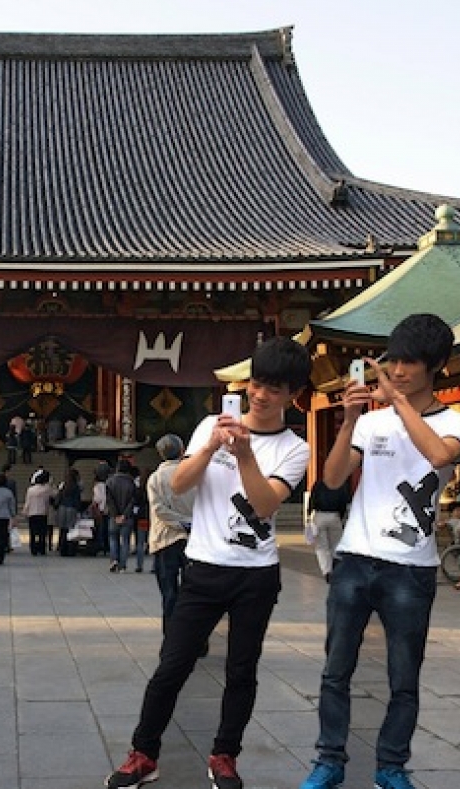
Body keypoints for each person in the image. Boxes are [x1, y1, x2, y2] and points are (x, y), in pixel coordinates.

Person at [105, 337, 311, 789]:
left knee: (241, 671)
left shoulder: (295, 448)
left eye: (274, 389)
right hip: (203, 566)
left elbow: (264, 505)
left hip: (256, 574)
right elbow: (179, 484)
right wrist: (211, 446)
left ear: (293, 395)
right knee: (172, 665)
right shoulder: (209, 426)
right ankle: (143, 754)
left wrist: (244, 454)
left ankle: (224, 756)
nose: (260, 395)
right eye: (257, 384)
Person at [300, 314, 460, 789]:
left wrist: (397, 402)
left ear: (435, 365)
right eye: (393, 361)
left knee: (404, 676)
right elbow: (333, 479)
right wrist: (349, 421)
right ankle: (329, 761)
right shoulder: (371, 421)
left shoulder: (458, 422)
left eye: (409, 363)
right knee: (336, 670)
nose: (397, 371)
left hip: (411, 568)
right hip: (355, 558)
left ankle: (391, 767)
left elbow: (439, 456)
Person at [145, 434, 197, 632]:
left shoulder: (155, 478)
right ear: (182, 451)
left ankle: (172, 636)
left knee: (169, 592)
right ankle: (194, 636)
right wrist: (189, 523)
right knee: (193, 592)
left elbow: (158, 509)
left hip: (165, 539)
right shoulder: (194, 475)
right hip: (193, 538)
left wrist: (179, 522)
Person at [306, 479, 351, 581]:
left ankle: (327, 571)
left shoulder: (318, 484)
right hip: (334, 515)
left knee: (321, 547)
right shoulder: (341, 484)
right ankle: (336, 567)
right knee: (336, 545)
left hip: (319, 516)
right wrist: (341, 516)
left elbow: (312, 498)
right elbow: (343, 502)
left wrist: (309, 513)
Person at [106, 459, 142, 573]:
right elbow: (133, 500)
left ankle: (114, 560)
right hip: (128, 516)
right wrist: (124, 515)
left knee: (113, 538)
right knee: (125, 541)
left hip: (113, 516)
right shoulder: (131, 482)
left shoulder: (110, 481)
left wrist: (115, 514)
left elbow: (109, 500)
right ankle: (122, 566)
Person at [22, 470, 54, 556]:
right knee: (42, 532)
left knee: (32, 532)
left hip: (32, 513)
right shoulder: (47, 489)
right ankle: (42, 548)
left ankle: (33, 549)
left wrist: (25, 511)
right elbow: (54, 494)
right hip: (42, 512)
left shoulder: (30, 490)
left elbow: (27, 502)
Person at [55, 468, 83, 557]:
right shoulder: (76, 486)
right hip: (72, 509)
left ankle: (62, 549)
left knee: (63, 530)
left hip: (62, 508)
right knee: (71, 530)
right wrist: (79, 510)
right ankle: (71, 550)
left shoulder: (64, 485)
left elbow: (58, 497)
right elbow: (77, 500)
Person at [92, 463, 111, 556]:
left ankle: (101, 545)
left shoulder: (98, 486)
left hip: (101, 510)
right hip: (109, 509)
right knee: (107, 529)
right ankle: (107, 546)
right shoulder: (110, 484)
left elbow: (98, 499)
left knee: (100, 529)